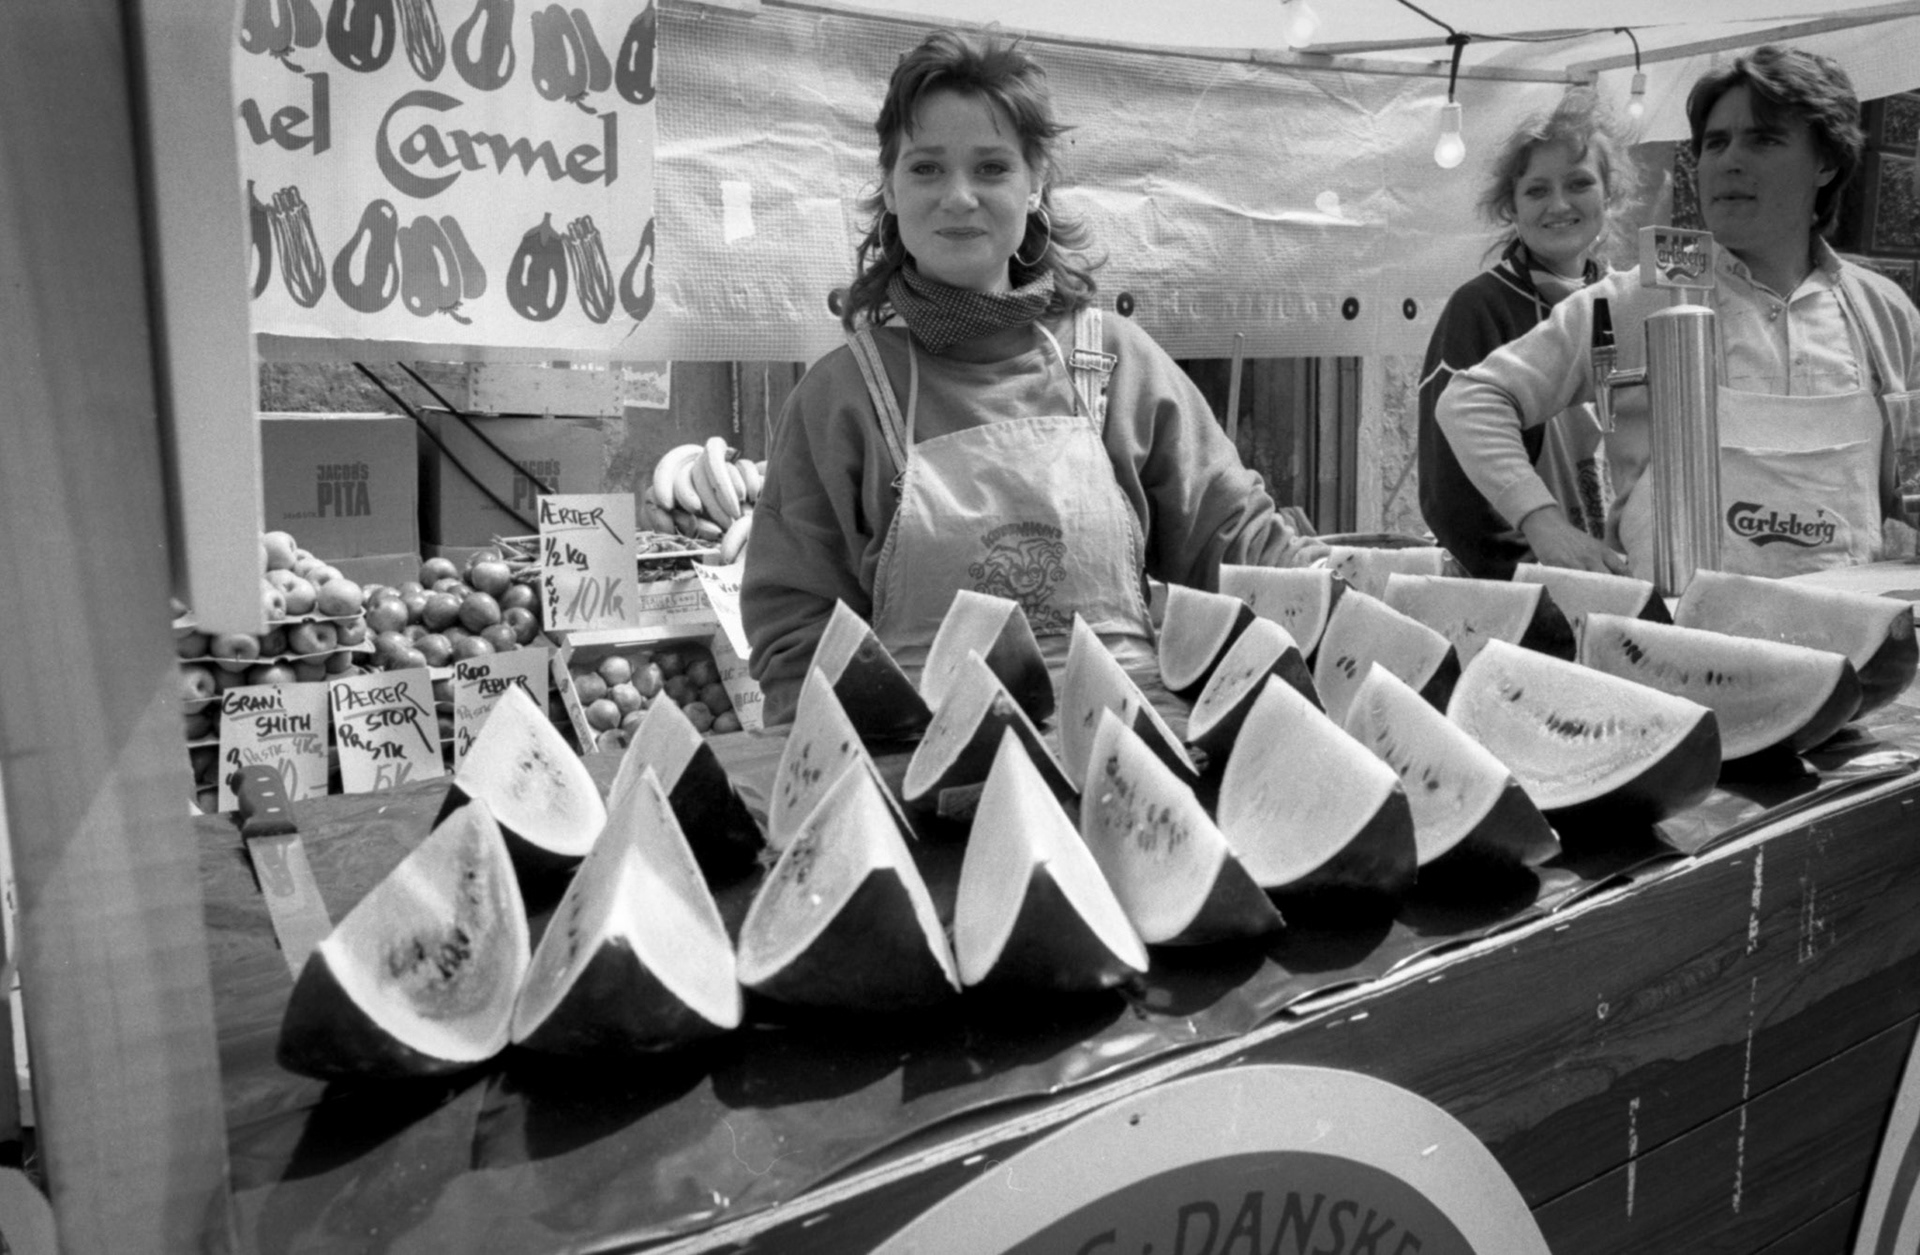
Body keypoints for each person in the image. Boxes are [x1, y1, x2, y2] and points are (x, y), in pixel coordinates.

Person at [742, 29, 1317, 725]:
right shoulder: (839, 399)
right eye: (926, 168)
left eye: (991, 168)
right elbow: (797, 634)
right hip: (917, 778)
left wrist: (1344, 595)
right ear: (889, 188)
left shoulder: (1119, 365)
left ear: (1035, 184)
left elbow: (1237, 544)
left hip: (1127, 754)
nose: (958, 196)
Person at [1436, 45, 1920, 581]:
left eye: (1763, 139)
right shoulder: (1641, 299)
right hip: (1683, 638)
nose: (1730, 160)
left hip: (1853, 639)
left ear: (1825, 162)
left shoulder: (1885, 313)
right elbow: (1472, 399)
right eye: (1716, 143)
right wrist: (1542, 523)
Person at [1418, 89, 1638, 579]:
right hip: (1531, 584)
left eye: (1579, 183)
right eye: (1536, 190)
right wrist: (1531, 578)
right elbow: (1449, 491)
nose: (1558, 204)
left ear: (1610, 195)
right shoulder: (1479, 309)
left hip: (1619, 574)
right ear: (1511, 209)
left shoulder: (1624, 303)